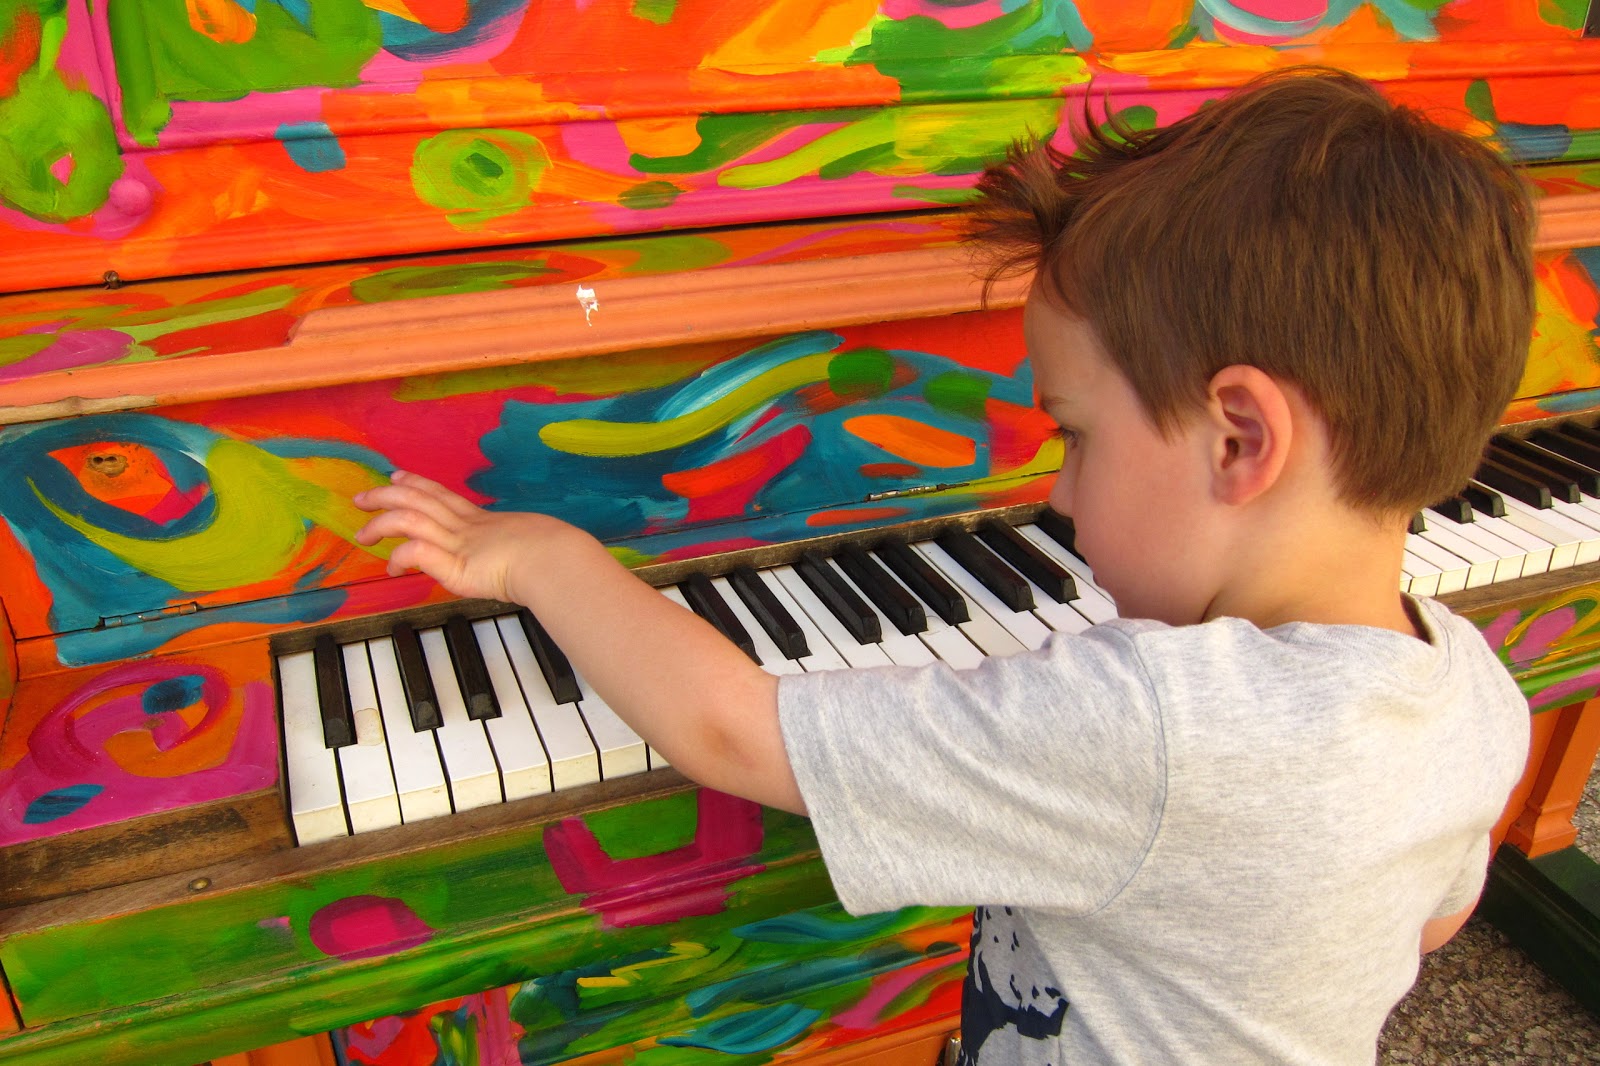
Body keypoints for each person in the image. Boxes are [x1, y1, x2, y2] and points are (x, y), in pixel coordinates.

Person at [353, 67, 1535, 1065]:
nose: (1056, 493)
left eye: (1074, 434)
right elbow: (1430, 924)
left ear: (1238, 439)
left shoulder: (1161, 724)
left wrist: (547, 557)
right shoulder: (1476, 692)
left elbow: (731, 730)